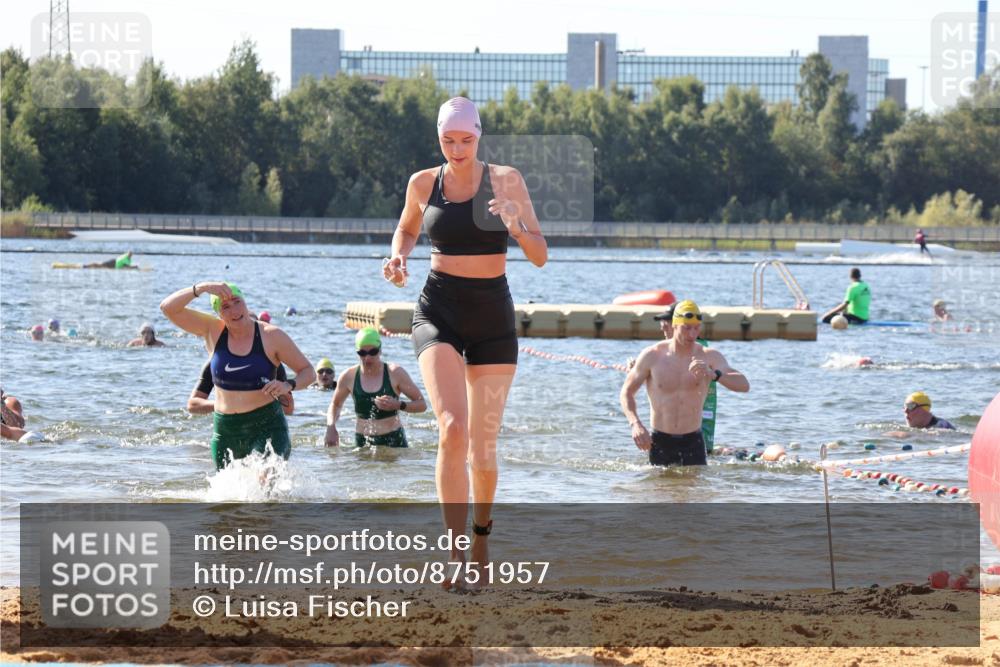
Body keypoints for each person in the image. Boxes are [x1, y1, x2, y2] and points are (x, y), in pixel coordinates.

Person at [383, 96, 547, 578]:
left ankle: (480, 541)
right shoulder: (422, 182)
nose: (457, 149)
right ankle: (453, 554)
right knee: (452, 428)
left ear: (479, 135)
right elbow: (406, 230)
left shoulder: (506, 179)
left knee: (482, 449)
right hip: (438, 309)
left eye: (466, 140)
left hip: (493, 316)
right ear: (438, 138)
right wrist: (398, 258)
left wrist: (515, 224)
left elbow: (539, 255)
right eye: (448, 140)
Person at [160, 281, 315, 469]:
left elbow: (308, 372)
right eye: (225, 306)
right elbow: (168, 308)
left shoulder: (271, 336)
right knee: (228, 496)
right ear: (218, 312)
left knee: (265, 489)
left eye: (237, 301)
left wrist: (288, 385)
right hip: (226, 431)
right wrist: (201, 288)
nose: (234, 310)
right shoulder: (212, 330)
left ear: (245, 301)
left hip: (267, 426)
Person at [620, 300, 750, 467]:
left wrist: (714, 375)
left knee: (695, 491)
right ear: (674, 325)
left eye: (696, 328)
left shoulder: (709, 356)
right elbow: (626, 392)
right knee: (656, 490)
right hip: (660, 440)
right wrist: (635, 424)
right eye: (686, 328)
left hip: (693, 441)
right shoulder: (652, 356)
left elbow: (744, 385)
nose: (692, 334)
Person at [324, 328, 426, 448]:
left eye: (373, 352)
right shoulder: (348, 376)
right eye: (362, 353)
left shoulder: (395, 373)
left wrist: (398, 405)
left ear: (380, 350)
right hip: (363, 442)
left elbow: (421, 404)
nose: (367, 358)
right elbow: (335, 405)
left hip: (394, 441)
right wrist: (331, 426)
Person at [188, 360, 294, 416]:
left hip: (264, 421)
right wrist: (224, 405)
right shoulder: (215, 362)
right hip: (228, 422)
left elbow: (289, 409)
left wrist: (260, 404)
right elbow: (192, 405)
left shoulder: (272, 363)